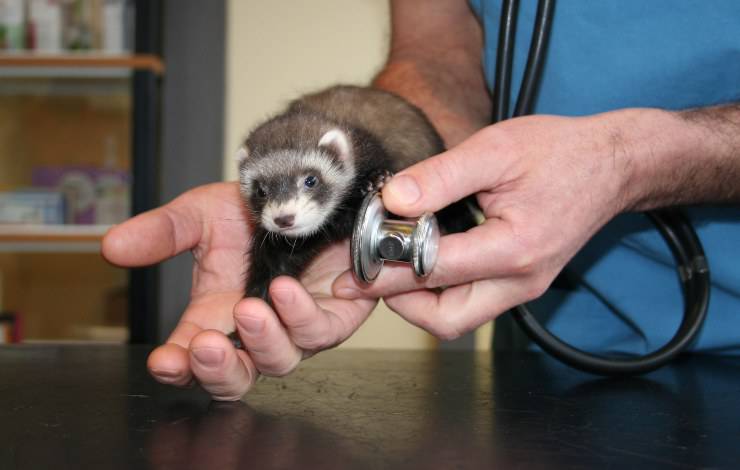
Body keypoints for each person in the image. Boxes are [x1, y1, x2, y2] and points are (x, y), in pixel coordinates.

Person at [103, 0, 740, 400]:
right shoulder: (325, 174)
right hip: (554, 325)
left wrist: (632, 161)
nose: (286, 211)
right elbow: (437, 66)